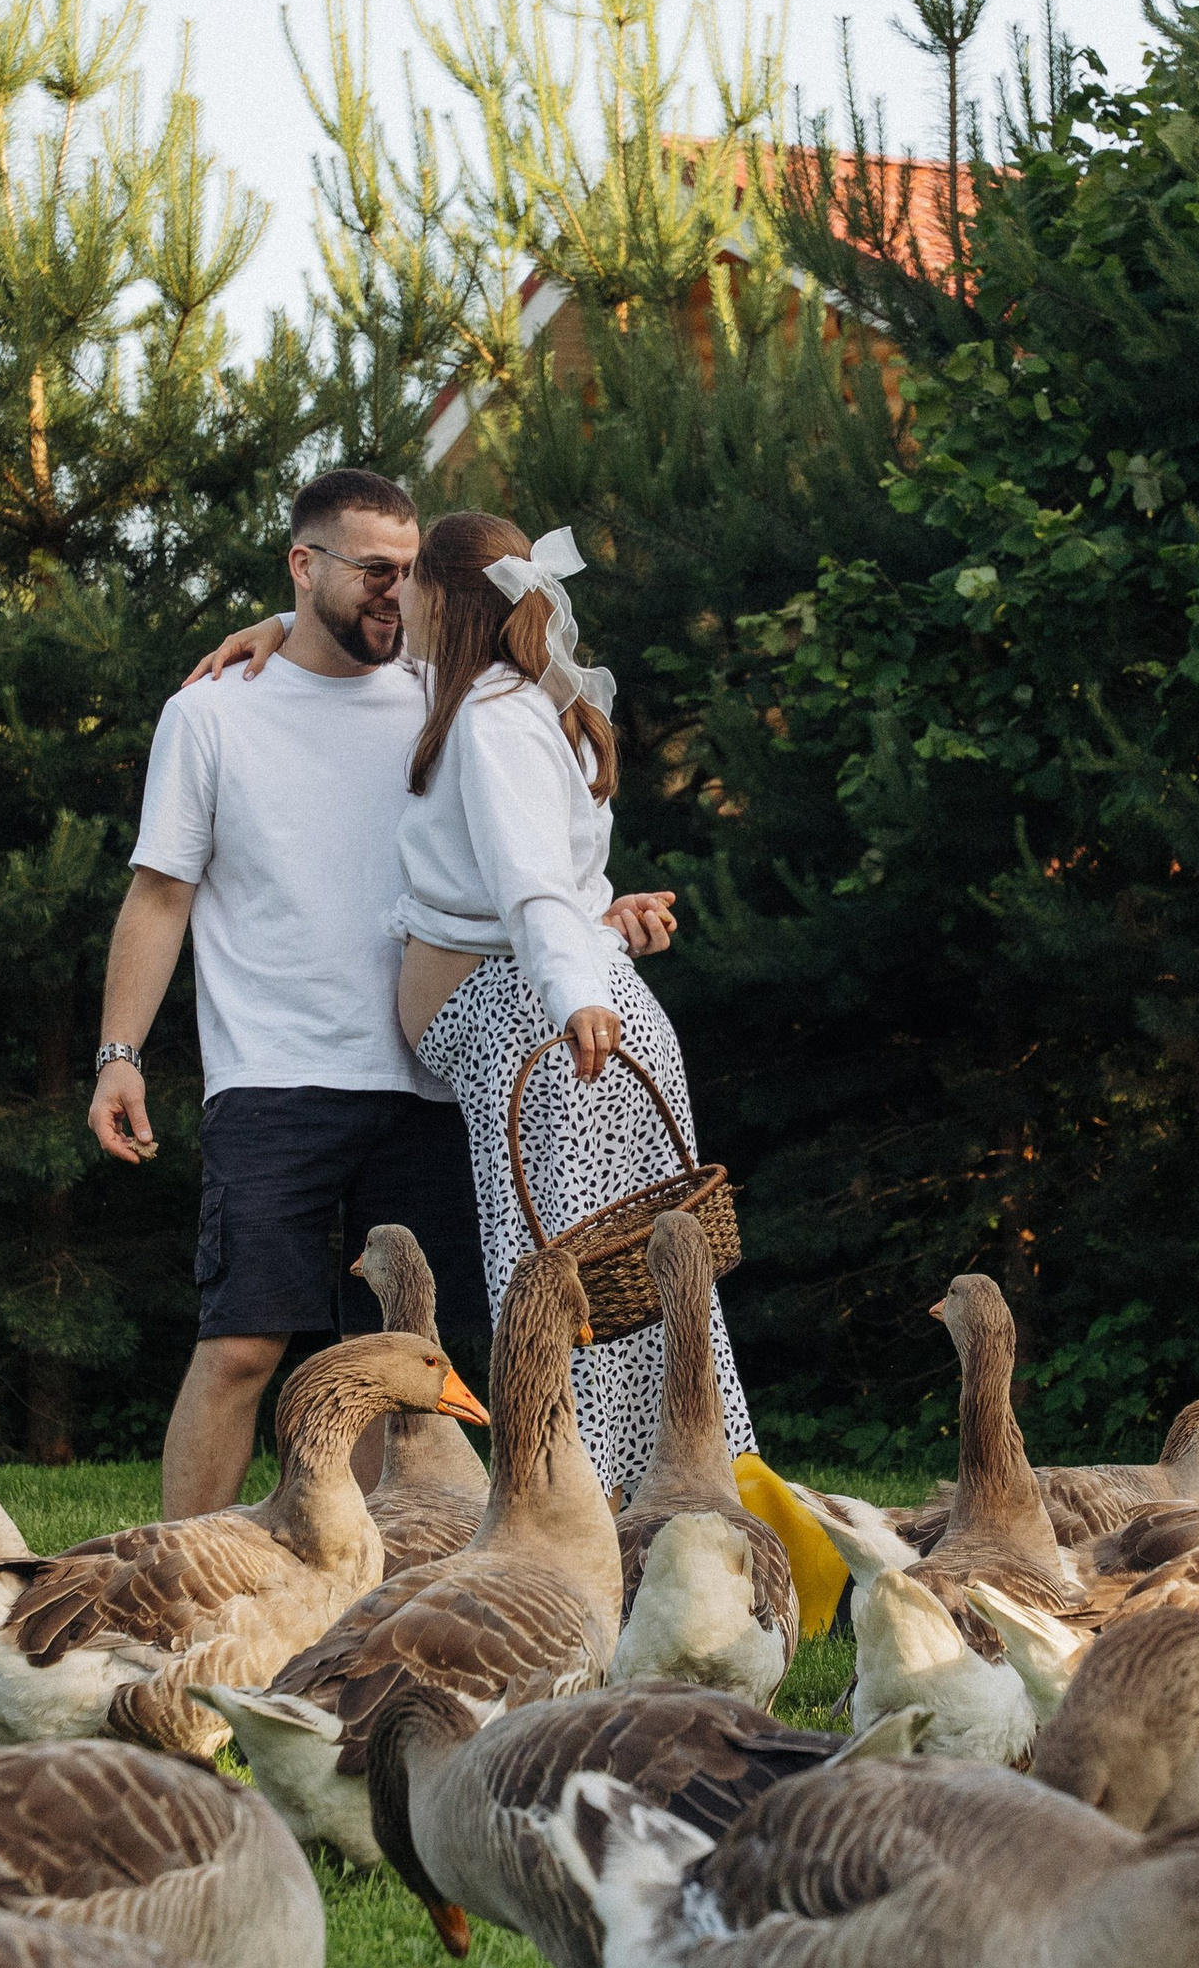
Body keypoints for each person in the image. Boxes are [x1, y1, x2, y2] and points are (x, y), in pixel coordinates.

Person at [195, 510, 753, 1496]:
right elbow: (546, 879)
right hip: (562, 1014)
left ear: (444, 601)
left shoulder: (491, 715)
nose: (393, 594)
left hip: (550, 1032)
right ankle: (651, 1508)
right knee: (623, 1295)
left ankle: (594, 1514)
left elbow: (534, 881)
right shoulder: (516, 694)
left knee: (560, 1299)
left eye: (410, 580)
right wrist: (278, 632)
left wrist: (575, 985)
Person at [89, 466, 490, 1518]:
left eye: (410, 574)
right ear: (303, 566)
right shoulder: (215, 712)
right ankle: (176, 1575)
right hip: (275, 1080)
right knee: (241, 1345)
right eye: (373, 571)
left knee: (391, 1365)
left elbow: (547, 633)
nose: (395, 595)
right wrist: (119, 1053)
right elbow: (160, 895)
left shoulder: (441, 692)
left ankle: (340, 1591)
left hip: (427, 1077)